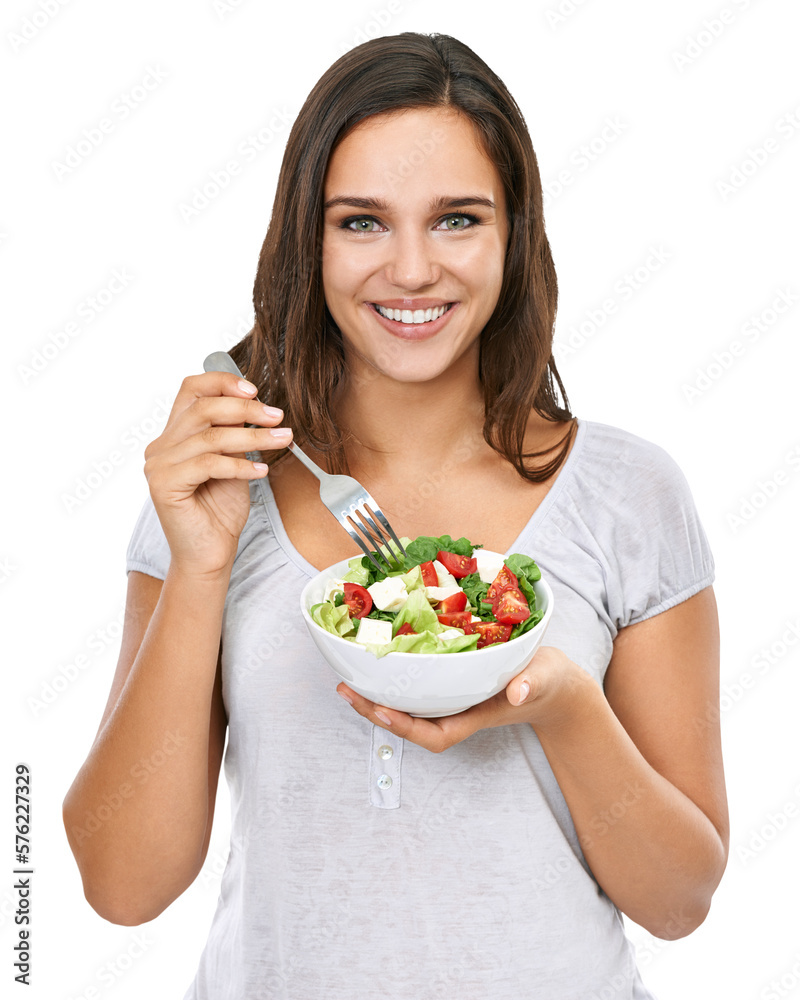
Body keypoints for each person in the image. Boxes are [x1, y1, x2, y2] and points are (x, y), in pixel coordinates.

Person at [63, 31, 728, 999]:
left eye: (455, 218)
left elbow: (679, 902)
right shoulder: (217, 491)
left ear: (512, 233)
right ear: (308, 239)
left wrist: (559, 705)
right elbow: (121, 887)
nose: (411, 270)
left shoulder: (629, 495)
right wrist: (198, 563)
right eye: (361, 223)